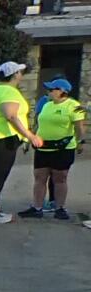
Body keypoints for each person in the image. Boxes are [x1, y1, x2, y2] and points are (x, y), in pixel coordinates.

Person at [0, 61, 38, 223]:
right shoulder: (10, 92)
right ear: (14, 75)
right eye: (19, 72)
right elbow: (10, 115)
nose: (21, 75)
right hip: (3, 137)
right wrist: (30, 136)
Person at [25, 78, 85, 222]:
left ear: (62, 91)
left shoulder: (74, 106)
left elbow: (79, 126)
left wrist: (80, 141)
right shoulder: (47, 105)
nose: (49, 92)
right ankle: (37, 207)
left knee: (60, 178)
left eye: (52, 90)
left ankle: (60, 208)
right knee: (40, 177)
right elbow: (38, 124)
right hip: (43, 147)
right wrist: (30, 139)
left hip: (62, 148)